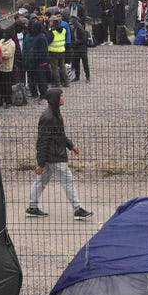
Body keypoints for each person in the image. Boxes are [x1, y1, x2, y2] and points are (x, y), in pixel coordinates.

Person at [25, 88, 93, 220]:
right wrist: (40, 162)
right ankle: (77, 209)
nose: (64, 98)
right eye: (61, 96)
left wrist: (71, 145)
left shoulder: (54, 114)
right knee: (68, 181)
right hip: (54, 157)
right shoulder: (49, 117)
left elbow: (59, 134)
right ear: (55, 99)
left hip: (52, 155)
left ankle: (32, 207)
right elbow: (42, 141)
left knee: (41, 181)